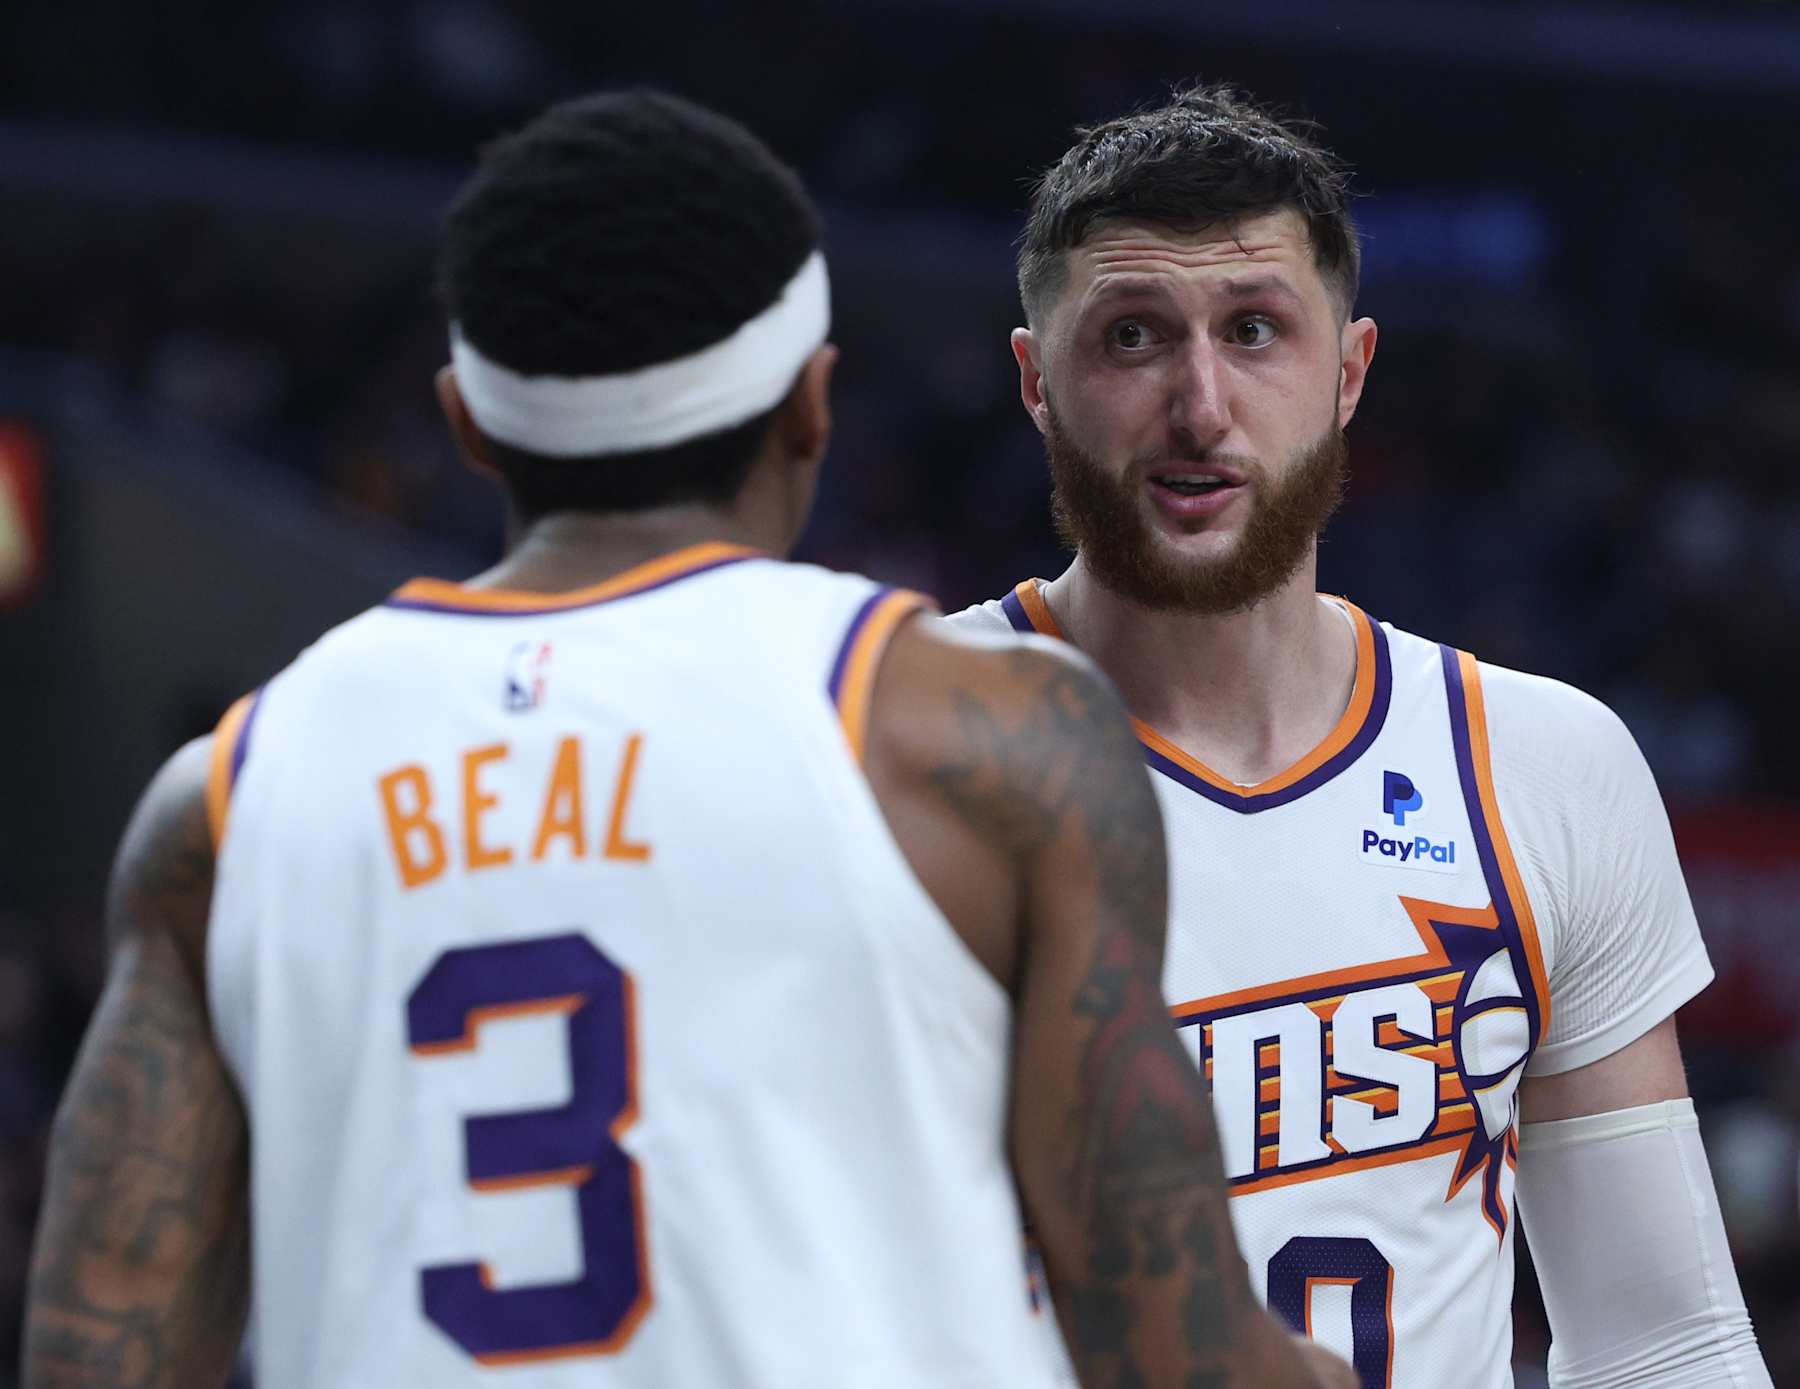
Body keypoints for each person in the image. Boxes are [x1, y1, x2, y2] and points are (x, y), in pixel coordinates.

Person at [21, 92, 1349, 1389]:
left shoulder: (225, 802)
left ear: (469, 421)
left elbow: (97, 1347)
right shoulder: (982, 735)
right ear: (811, 406)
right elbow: (1166, 1343)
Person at [951, 83, 1772, 1388]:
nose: (1201, 402)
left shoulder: (1544, 763)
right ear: (1035, 380)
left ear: (1350, 371)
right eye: (1133, 337)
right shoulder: (879, 758)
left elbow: (1655, 1337)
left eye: (1256, 329)